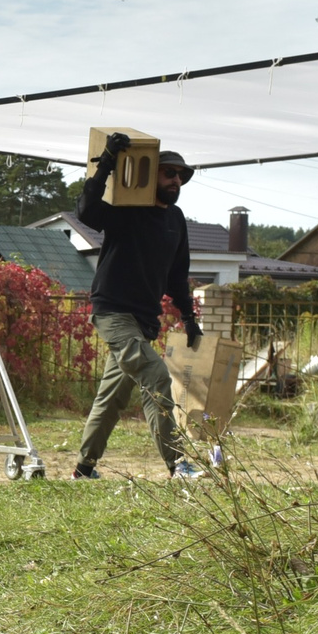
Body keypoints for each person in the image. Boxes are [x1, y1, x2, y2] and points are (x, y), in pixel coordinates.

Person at [72, 134, 203, 481]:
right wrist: (107, 162)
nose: (175, 180)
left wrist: (189, 317)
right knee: (156, 377)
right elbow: (86, 211)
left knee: (111, 398)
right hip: (112, 312)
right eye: (169, 173)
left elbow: (178, 274)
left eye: (180, 176)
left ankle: (83, 469)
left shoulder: (176, 219)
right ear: (152, 177)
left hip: (144, 320)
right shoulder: (128, 210)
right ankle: (178, 465)